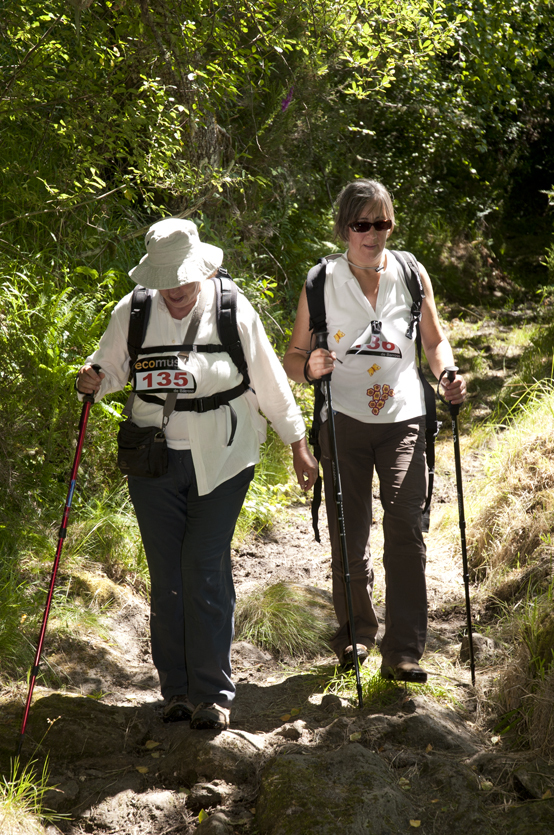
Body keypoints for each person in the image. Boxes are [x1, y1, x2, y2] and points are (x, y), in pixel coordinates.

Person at [77, 218, 318, 729]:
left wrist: (297, 442)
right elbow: (109, 371)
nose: (177, 289)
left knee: (202, 565)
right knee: (167, 574)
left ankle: (213, 693)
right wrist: (92, 379)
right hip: (154, 461)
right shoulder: (134, 310)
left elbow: (270, 379)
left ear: (203, 269)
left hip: (226, 456)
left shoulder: (231, 308)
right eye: (166, 280)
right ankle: (176, 691)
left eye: (185, 278)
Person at [283, 179, 466, 683]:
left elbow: (434, 342)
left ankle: (403, 650)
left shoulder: (410, 272)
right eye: (363, 224)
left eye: (382, 223)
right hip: (342, 420)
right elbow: (293, 360)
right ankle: (356, 637)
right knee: (350, 533)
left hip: (404, 417)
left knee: (405, 528)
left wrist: (447, 373)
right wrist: (312, 365)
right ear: (345, 227)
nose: (373, 233)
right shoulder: (321, 280)